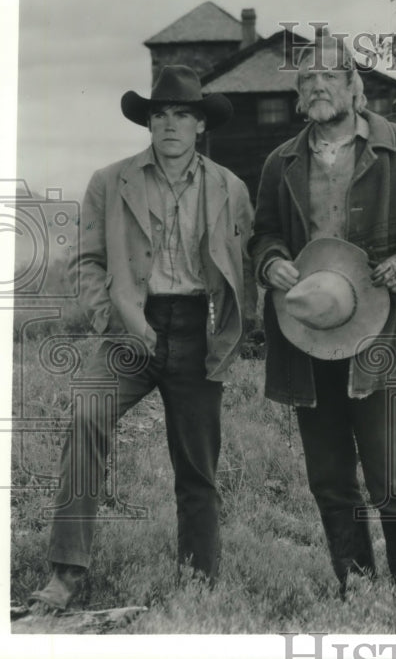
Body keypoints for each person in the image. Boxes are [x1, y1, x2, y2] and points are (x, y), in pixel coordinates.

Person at [29, 65, 255, 611]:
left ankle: (198, 583)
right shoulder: (110, 181)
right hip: (128, 328)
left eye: (183, 115)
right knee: (86, 416)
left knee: (198, 463)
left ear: (201, 125)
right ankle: (66, 574)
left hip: (197, 330)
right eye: (161, 115)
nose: (170, 124)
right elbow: (87, 261)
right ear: (148, 124)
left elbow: (244, 264)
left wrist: (232, 330)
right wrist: (113, 320)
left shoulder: (230, 187)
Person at [248, 33, 396, 592]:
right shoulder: (280, 162)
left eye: (329, 76)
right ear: (297, 95)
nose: (317, 86)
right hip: (307, 334)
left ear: (354, 85)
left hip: (383, 337)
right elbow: (264, 234)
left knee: (395, 477)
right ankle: (356, 587)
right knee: (330, 478)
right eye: (306, 79)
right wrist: (271, 262)